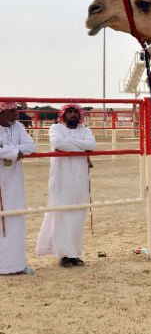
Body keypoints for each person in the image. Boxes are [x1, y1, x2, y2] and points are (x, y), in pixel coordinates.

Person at [36, 104, 96, 267]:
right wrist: (79, 146)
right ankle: (62, 255)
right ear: (63, 115)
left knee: (78, 213)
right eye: (69, 112)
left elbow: (91, 145)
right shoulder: (56, 129)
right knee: (61, 213)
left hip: (81, 180)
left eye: (75, 112)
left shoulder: (86, 130)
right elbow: (58, 144)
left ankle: (74, 254)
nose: (73, 115)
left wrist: (70, 143)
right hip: (61, 179)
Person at [0, 102, 37, 275]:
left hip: (15, 183)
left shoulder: (18, 126)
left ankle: (16, 265)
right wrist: (14, 153)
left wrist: (7, 150)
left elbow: (31, 146)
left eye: (16, 110)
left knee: (15, 220)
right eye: (11, 111)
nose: (16, 114)